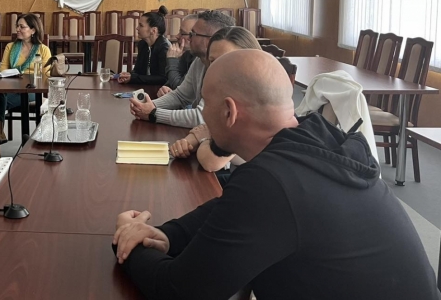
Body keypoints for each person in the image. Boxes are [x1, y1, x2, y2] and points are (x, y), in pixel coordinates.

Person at [113, 50, 439, 300]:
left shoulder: (272, 183)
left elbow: (178, 291)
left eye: (206, 104)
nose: (203, 116)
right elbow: (229, 207)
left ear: (229, 111)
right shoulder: (314, 141)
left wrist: (128, 242)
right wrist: (167, 234)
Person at [169, 27, 260, 182]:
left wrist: (202, 138)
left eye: (226, 60)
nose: (216, 68)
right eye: (212, 61)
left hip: (256, 183)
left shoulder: (251, 99)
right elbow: (209, 128)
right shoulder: (226, 91)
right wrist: (198, 137)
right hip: (238, 174)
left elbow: (211, 161)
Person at [129, 10, 235, 128]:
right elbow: (180, 96)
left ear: (210, 40)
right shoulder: (199, 61)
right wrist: (146, 105)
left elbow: (201, 117)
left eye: (193, 34)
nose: (189, 38)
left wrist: (153, 113)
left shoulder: (225, 68)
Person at [0, 13, 52, 164]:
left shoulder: (43, 49)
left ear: (33, 30)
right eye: (17, 26)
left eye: (22, 27)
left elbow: (47, 76)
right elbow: (3, 70)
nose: (17, 29)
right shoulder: (10, 47)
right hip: (12, 87)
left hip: (32, 89)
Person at [117, 6, 170, 85]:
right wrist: (129, 75)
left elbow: (163, 78)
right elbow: (137, 71)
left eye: (141, 25)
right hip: (144, 87)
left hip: (160, 90)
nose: (137, 28)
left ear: (153, 30)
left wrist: (134, 78)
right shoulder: (142, 44)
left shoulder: (164, 47)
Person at [157, 14, 197, 96]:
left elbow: (180, 89)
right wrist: (165, 88)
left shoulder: (199, 59)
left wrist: (172, 60)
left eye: (182, 33)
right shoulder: (186, 54)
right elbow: (171, 84)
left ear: (193, 36)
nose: (177, 36)